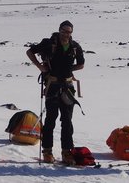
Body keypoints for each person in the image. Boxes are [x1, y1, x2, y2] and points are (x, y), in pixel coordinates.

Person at [26, 20, 85, 165]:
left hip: (67, 85)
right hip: (52, 85)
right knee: (50, 119)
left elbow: (82, 64)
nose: (66, 34)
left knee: (67, 121)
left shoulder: (75, 46)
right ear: (59, 30)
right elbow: (30, 51)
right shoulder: (48, 43)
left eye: (69, 32)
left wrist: (68, 70)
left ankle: (66, 152)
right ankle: (47, 151)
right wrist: (40, 67)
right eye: (64, 31)